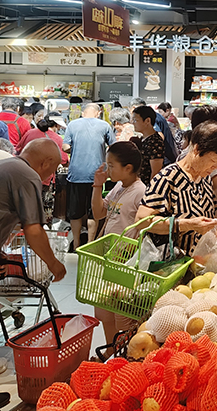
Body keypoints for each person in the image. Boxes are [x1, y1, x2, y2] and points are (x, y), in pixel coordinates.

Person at [0, 140, 66, 411]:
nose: (50, 176)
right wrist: (54, 264)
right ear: (45, 163)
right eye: (52, 170)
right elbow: (33, 230)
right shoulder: (26, 174)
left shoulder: (4, 166)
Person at [136, 122, 217, 253]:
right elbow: (141, 220)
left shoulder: (205, 178)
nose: (215, 167)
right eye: (213, 160)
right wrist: (187, 225)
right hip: (171, 261)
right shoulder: (168, 178)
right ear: (197, 149)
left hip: (198, 258)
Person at [90, 141, 146, 343]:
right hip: (110, 257)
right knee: (105, 310)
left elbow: (144, 228)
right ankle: (110, 349)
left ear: (128, 168)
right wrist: (97, 185)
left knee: (122, 314)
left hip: (126, 260)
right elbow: (98, 213)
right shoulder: (118, 187)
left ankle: (123, 351)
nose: (108, 169)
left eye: (111, 165)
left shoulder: (140, 192)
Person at [63, 103, 115, 248]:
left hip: (76, 175)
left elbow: (65, 147)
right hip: (97, 174)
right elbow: (113, 146)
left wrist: (77, 150)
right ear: (98, 113)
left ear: (83, 113)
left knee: (75, 212)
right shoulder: (104, 125)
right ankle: (90, 244)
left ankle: (76, 243)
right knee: (93, 212)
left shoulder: (72, 125)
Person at [16, 116, 69, 223]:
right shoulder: (57, 139)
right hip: (45, 180)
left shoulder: (30, 133)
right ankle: (43, 227)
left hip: (24, 176)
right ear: (56, 126)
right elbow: (63, 160)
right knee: (44, 210)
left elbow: (18, 149)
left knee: (24, 206)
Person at [132, 105, 164, 186]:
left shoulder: (155, 142)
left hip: (146, 187)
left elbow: (155, 172)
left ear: (147, 121)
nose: (133, 123)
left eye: (136, 120)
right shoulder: (143, 139)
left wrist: (150, 190)